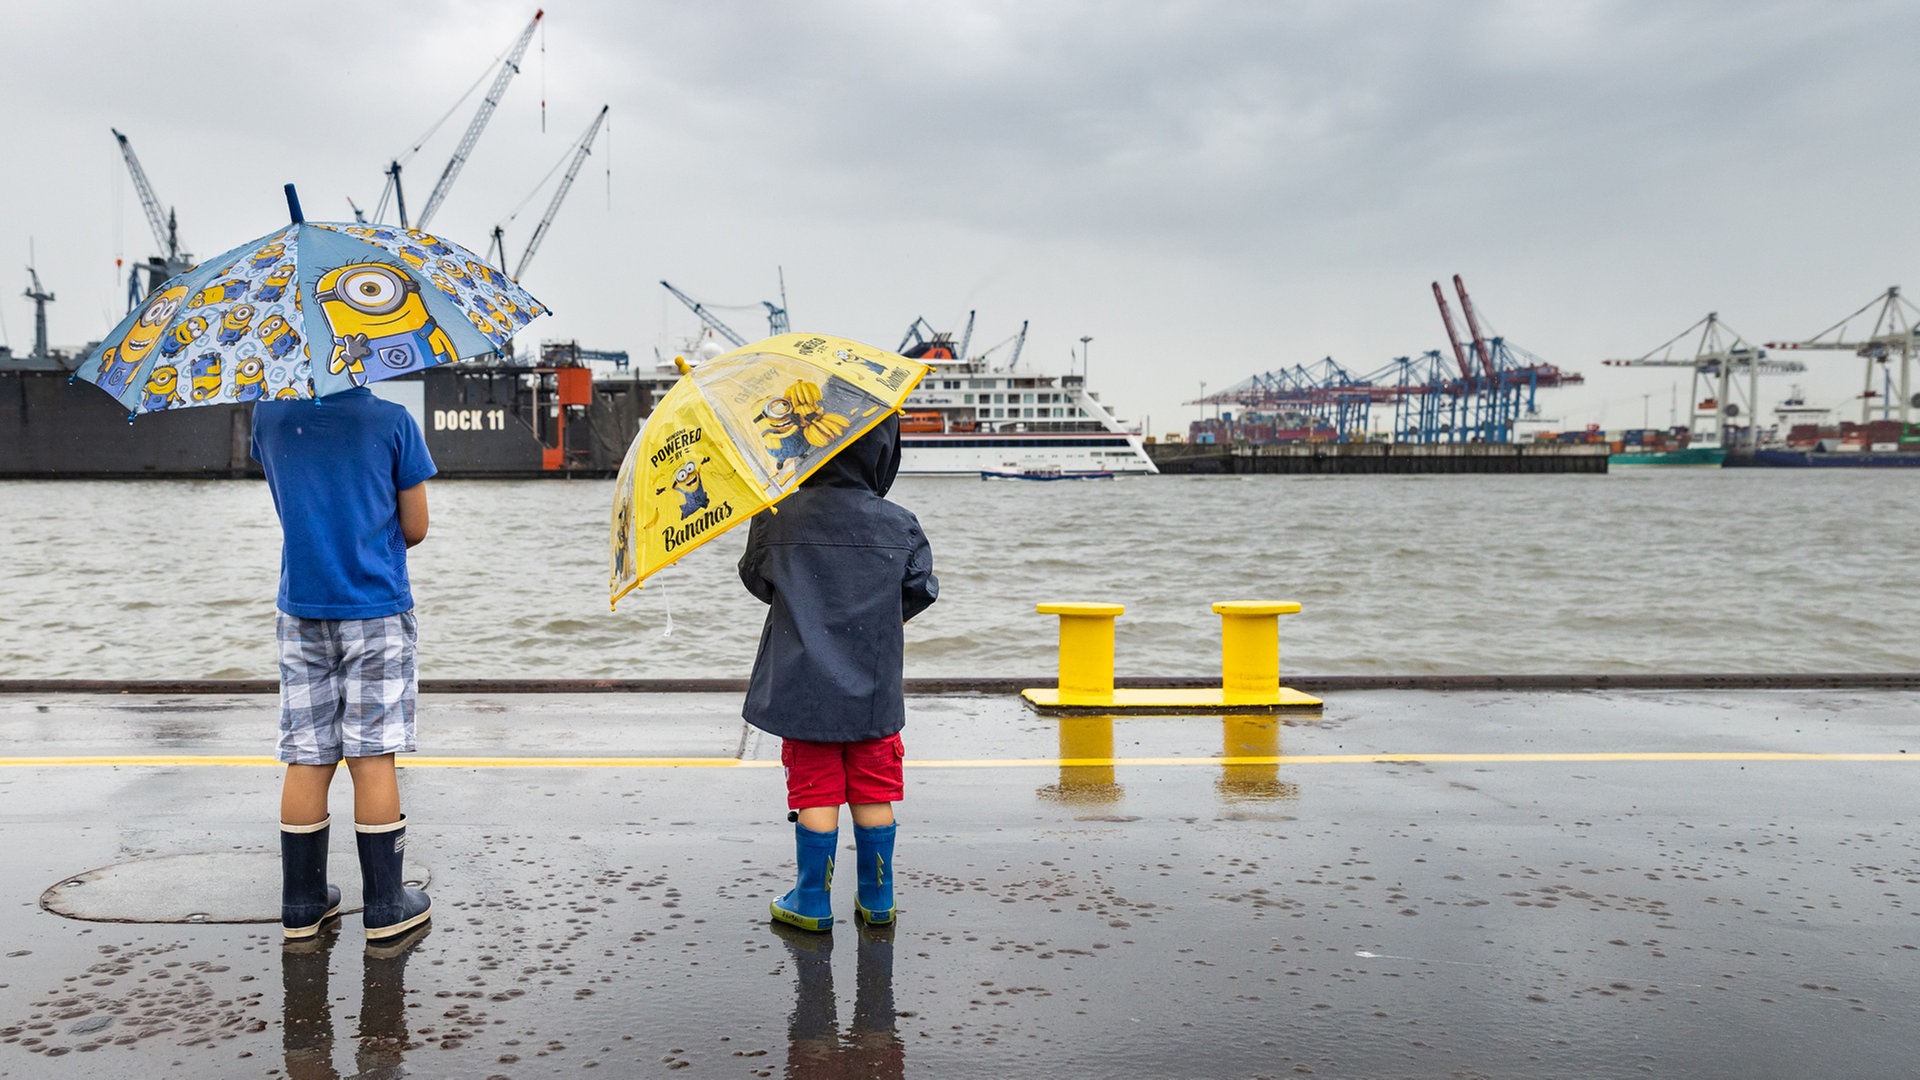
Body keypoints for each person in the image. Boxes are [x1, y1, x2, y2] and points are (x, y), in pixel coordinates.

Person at [739, 412, 938, 931]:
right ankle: (877, 898)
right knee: (875, 790)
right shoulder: (899, 522)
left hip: (803, 690)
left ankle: (812, 900)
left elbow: (757, 581)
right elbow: (920, 589)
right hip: (873, 687)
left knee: (816, 792)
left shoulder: (777, 515)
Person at [252, 386, 435, 943]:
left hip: (302, 608)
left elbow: (297, 500)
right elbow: (416, 528)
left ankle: (302, 902)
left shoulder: (269, 415)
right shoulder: (393, 421)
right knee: (372, 753)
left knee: (307, 753)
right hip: (374, 608)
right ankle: (385, 905)